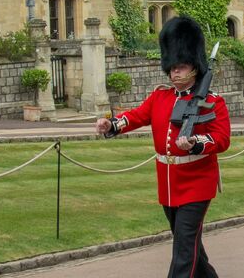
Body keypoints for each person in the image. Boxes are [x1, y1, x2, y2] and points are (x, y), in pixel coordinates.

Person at [95, 16, 230, 278]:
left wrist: (196, 144)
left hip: (197, 184)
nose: (174, 72)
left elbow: (222, 138)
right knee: (190, 247)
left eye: (180, 67)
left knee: (182, 249)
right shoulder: (160, 96)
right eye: (172, 67)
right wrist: (110, 125)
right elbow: (136, 116)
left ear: (193, 67)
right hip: (169, 184)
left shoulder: (213, 101)